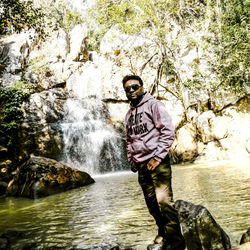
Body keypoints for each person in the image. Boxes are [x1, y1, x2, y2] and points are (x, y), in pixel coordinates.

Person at [122, 75, 185, 250]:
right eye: (128, 89)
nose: (132, 91)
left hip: (158, 163)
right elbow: (129, 140)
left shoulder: (154, 105)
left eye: (135, 87)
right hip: (141, 165)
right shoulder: (128, 115)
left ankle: (177, 244)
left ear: (142, 87)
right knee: (152, 205)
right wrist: (131, 160)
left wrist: (157, 158)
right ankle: (164, 233)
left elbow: (168, 132)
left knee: (164, 203)